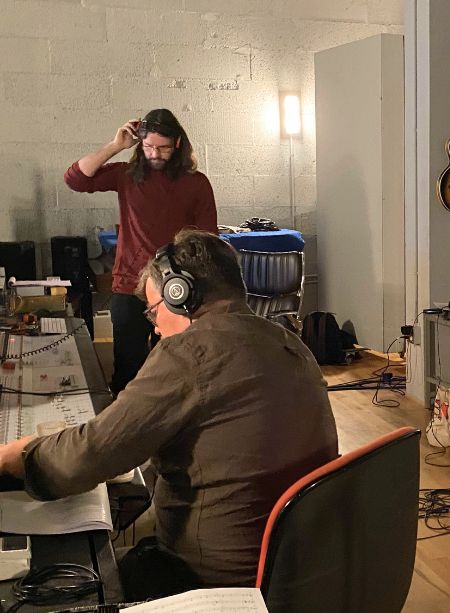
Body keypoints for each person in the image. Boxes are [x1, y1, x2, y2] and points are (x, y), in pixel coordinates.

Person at [0, 230, 339, 597]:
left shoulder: (190, 354)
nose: (156, 326)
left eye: (153, 310)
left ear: (181, 295)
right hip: (296, 573)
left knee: (65, 585)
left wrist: (18, 455)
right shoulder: (291, 344)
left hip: (213, 582)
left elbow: (91, 453)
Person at [64, 109, 218, 396]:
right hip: (130, 286)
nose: (155, 154)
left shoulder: (196, 183)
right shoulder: (127, 175)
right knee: (128, 370)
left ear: (178, 144)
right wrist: (115, 146)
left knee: (174, 370)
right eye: (148, 147)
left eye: (163, 147)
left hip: (175, 289)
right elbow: (75, 179)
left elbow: (208, 240)